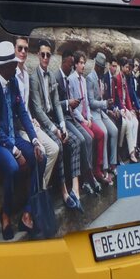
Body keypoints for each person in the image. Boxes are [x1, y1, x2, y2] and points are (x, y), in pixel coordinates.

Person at [0, 40, 47, 240]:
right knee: (12, 167)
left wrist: (34, 140)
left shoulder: (13, 83)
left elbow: (23, 113)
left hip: (12, 137)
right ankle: (6, 214)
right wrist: (16, 152)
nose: (15, 66)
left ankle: (27, 213)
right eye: (12, 63)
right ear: (3, 66)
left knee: (40, 157)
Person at [29, 39, 82, 210]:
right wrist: (54, 129)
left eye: (48, 55)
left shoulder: (51, 76)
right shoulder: (33, 78)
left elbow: (57, 104)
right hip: (43, 123)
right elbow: (37, 109)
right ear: (38, 55)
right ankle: (64, 192)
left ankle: (76, 189)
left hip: (53, 119)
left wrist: (62, 126)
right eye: (42, 54)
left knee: (74, 141)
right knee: (58, 144)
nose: (45, 57)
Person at [14, 37, 61, 192]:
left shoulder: (26, 74)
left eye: (25, 49)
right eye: (19, 48)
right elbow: (16, 111)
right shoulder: (13, 75)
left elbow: (26, 107)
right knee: (40, 152)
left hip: (30, 123)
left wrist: (32, 119)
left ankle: (42, 188)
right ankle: (37, 194)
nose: (22, 52)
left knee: (54, 149)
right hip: (20, 128)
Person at [63, 53, 106, 194]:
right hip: (77, 118)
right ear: (75, 64)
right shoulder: (71, 80)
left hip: (86, 118)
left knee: (98, 134)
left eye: (84, 63)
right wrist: (83, 119)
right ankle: (86, 178)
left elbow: (86, 102)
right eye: (80, 63)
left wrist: (89, 118)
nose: (82, 66)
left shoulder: (82, 80)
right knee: (89, 137)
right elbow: (72, 108)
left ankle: (94, 171)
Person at [86, 52, 119, 180]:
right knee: (104, 132)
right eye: (101, 68)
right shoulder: (90, 78)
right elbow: (91, 102)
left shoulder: (99, 78)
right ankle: (103, 168)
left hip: (101, 112)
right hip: (94, 113)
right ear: (97, 67)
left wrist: (107, 104)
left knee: (114, 130)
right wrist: (105, 103)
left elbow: (100, 97)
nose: (102, 71)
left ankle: (112, 163)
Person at [112, 56, 140, 162]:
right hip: (119, 107)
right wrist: (124, 109)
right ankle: (129, 152)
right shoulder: (117, 78)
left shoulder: (125, 78)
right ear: (122, 67)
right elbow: (118, 99)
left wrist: (131, 109)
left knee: (135, 122)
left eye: (129, 67)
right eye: (127, 67)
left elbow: (127, 96)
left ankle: (133, 148)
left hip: (124, 107)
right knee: (127, 124)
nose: (128, 69)